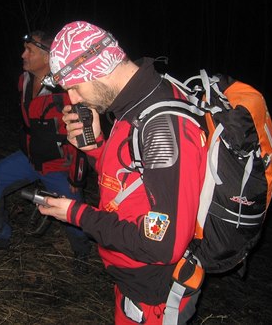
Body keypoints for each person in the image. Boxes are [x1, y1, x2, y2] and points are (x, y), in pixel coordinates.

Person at [38, 21, 208, 324]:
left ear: (95, 67)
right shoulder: (134, 104)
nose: (74, 100)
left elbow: (161, 244)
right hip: (131, 278)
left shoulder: (161, 127)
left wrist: (77, 214)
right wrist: (96, 147)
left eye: (74, 87)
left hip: (153, 295)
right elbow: (133, 180)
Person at [0, 30, 93, 265]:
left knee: (75, 218)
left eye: (29, 50)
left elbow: (83, 140)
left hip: (60, 166)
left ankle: (82, 255)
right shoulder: (25, 80)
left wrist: (76, 179)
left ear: (48, 56)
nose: (23, 55)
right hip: (30, 158)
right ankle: (1, 236)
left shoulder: (68, 92)